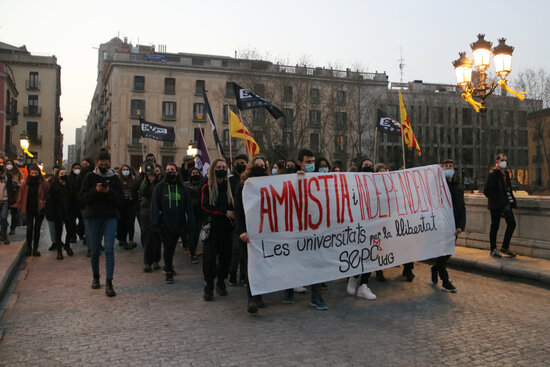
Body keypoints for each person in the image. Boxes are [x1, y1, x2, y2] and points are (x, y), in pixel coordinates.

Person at [283, 148, 328, 310]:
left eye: (312, 162)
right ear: (299, 163)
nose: (311, 164)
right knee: (293, 261)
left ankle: (316, 296)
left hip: (314, 227)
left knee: (315, 261)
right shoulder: (289, 178)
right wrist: (296, 181)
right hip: (295, 228)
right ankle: (289, 291)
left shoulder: (319, 179)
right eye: (308, 162)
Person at [80, 149, 122, 297]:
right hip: (93, 217)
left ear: (110, 163)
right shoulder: (89, 177)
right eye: (102, 164)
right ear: (97, 163)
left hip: (110, 217)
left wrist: (109, 192)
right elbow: (83, 198)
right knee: (95, 250)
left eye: (107, 164)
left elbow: (120, 200)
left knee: (109, 249)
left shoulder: (115, 178)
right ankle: (96, 277)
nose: (104, 167)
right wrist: (95, 191)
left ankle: (109, 282)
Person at [235, 155, 270, 313]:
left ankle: (260, 295)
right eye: (257, 165)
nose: (260, 167)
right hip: (249, 232)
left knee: (262, 265)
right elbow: (238, 211)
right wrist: (241, 230)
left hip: (265, 232)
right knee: (250, 265)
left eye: (262, 165)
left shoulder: (271, 185)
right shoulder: (243, 186)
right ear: (251, 167)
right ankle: (251, 298)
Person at [150, 163, 194, 283]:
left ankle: (168, 266)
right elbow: (154, 205)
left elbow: (188, 207)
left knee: (172, 247)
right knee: (168, 246)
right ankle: (169, 271)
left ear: (177, 172)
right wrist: (155, 222)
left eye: (172, 170)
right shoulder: (159, 188)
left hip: (178, 223)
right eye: (168, 170)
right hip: (164, 223)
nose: (170, 172)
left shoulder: (183, 189)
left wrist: (190, 223)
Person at [201, 158, 235, 301]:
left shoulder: (230, 187)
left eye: (224, 167)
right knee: (209, 259)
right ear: (213, 169)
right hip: (213, 228)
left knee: (226, 258)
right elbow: (205, 206)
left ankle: (221, 282)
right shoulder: (206, 187)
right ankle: (209, 286)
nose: (222, 169)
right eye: (219, 167)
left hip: (227, 229)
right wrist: (223, 212)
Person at [430, 159, 465, 292]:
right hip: (440, 225)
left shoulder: (458, 188)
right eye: (446, 167)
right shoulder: (437, 187)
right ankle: (445, 281)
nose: (449, 168)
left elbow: (462, 208)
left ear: (454, 171)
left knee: (447, 253)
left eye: (451, 166)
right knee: (442, 252)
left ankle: (435, 268)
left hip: (453, 227)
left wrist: (461, 226)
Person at [483, 153, 517, 258]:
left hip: (506, 205)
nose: (504, 162)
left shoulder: (505, 173)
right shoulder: (493, 174)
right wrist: (498, 200)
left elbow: (508, 189)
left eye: (505, 160)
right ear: (497, 161)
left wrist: (512, 200)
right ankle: (493, 249)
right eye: (502, 160)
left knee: (512, 224)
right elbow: (486, 191)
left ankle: (505, 247)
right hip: (496, 205)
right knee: (495, 226)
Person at [17, 164, 49, 256]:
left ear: (39, 173)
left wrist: (44, 203)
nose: (34, 175)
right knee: (29, 229)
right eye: (32, 173)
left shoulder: (44, 184)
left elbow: (48, 195)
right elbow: (21, 195)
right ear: (29, 173)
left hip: (40, 209)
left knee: (37, 229)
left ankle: (35, 249)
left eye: (35, 173)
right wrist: (19, 206)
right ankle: (28, 248)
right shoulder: (25, 183)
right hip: (28, 208)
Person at [46, 167, 77, 260]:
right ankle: (59, 250)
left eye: (64, 173)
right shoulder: (54, 185)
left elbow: (74, 197)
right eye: (61, 174)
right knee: (58, 232)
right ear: (58, 175)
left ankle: (67, 246)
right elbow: (50, 199)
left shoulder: (70, 185)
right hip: (58, 212)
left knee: (70, 230)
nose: (63, 175)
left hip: (69, 211)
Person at [228, 154, 248, 286]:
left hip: (249, 218)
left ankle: (244, 276)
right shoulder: (230, 180)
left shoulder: (250, 179)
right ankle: (233, 274)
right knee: (236, 249)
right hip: (236, 218)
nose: (240, 165)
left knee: (246, 252)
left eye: (242, 163)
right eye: (238, 163)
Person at [140, 164, 163, 272]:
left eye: (157, 171)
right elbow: (143, 192)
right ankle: (147, 262)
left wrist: (155, 181)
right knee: (148, 237)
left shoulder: (161, 182)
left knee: (157, 237)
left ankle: (156, 260)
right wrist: (149, 181)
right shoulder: (145, 181)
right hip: (146, 212)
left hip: (157, 212)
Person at [184, 167, 203, 264]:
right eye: (193, 173)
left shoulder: (203, 185)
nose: (195, 174)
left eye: (196, 172)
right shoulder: (186, 186)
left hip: (200, 212)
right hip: (190, 211)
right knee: (191, 233)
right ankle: (192, 253)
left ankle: (193, 250)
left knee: (196, 233)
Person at [117, 164, 138, 250]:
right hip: (121, 205)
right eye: (124, 169)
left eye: (127, 169)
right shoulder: (118, 181)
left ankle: (131, 240)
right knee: (122, 222)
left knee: (131, 222)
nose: (125, 171)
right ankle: (122, 239)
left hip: (131, 205)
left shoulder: (133, 181)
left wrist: (132, 197)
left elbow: (136, 192)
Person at [5, 159, 22, 236]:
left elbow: (22, 182)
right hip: (5, 195)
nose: (9, 165)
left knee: (14, 213)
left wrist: (18, 184)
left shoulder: (18, 173)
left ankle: (12, 228)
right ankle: (5, 225)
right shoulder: (3, 173)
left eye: (10, 163)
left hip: (14, 195)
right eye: (7, 163)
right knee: (3, 214)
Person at [0, 157, 14, 244]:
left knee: (4, 218)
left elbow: (10, 188)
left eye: (2, 163)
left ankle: (4, 235)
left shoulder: (7, 175)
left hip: (4, 200)